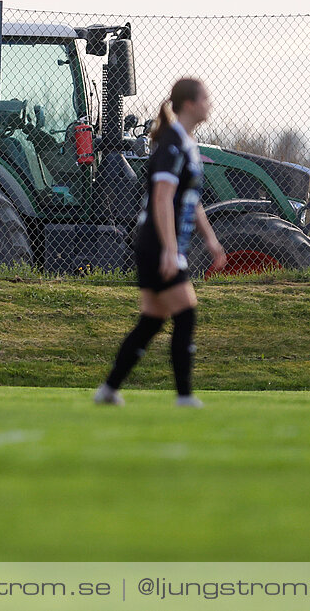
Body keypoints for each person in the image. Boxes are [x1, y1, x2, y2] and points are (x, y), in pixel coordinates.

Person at [95, 77, 227, 408]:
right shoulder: (171, 144)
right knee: (186, 312)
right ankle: (184, 397)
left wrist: (211, 241)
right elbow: (162, 199)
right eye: (206, 98)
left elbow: (190, 199)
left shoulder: (187, 143)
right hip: (156, 245)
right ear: (189, 104)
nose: (210, 104)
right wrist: (170, 249)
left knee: (152, 320)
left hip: (163, 245)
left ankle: (109, 389)